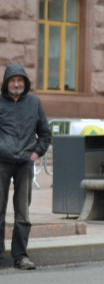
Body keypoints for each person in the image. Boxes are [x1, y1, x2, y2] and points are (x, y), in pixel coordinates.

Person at [0, 64, 52, 270]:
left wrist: (36, 153)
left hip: (24, 163)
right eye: (12, 80)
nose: (16, 83)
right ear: (6, 83)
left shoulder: (34, 103)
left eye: (20, 80)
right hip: (1, 162)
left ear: (25, 83)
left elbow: (45, 133)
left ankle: (20, 256)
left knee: (23, 212)